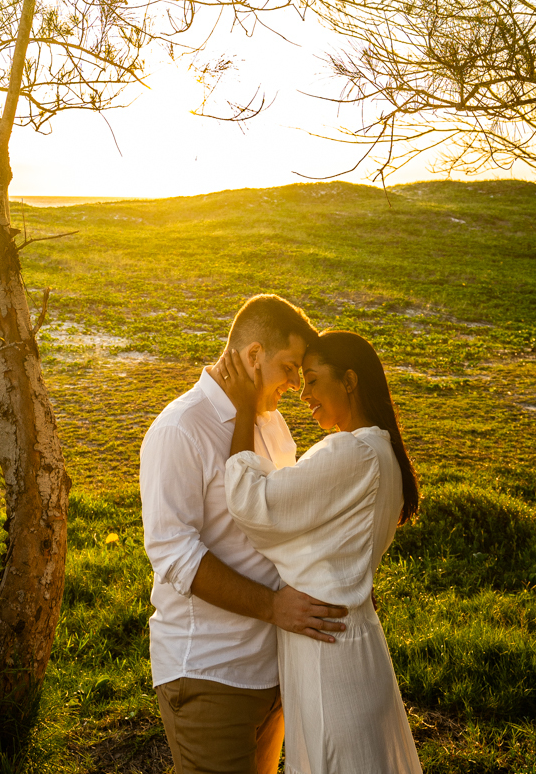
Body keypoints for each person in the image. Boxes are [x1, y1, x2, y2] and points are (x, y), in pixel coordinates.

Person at [139, 295, 350, 774]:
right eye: (289, 368)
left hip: (274, 669)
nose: (296, 385)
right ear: (253, 355)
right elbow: (173, 556)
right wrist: (273, 607)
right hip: (211, 672)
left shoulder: (271, 424)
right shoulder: (180, 429)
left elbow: (286, 523)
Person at [220, 329, 423, 774]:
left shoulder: (352, 452)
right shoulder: (380, 452)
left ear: (349, 380)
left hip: (329, 652)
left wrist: (243, 409)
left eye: (312, 380)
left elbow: (254, 502)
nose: (303, 393)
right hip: (346, 638)